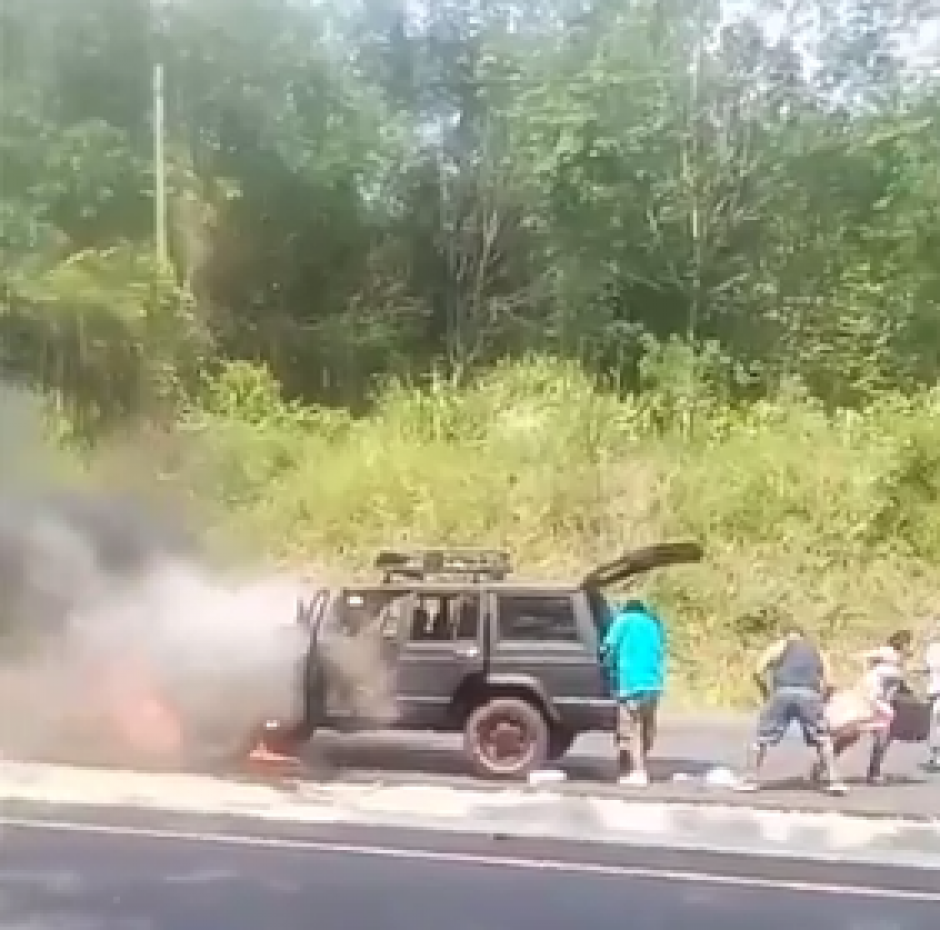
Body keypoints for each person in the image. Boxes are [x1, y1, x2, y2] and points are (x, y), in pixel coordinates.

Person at [734, 624, 846, 794]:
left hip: (782, 693)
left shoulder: (779, 646)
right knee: (823, 738)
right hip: (809, 694)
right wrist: (822, 700)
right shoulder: (817, 651)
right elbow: (830, 682)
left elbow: (757, 671)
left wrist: (766, 692)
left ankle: (749, 780)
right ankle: (834, 781)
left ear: (786, 635)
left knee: (761, 738)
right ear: (803, 636)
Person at [600, 598, 665, 787]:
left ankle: (638, 772)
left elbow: (608, 647)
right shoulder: (653, 623)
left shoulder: (623, 621)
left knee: (631, 731)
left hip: (631, 684)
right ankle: (641, 764)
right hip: (653, 685)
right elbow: (660, 649)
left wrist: (607, 666)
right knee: (647, 727)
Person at [818, 644, 903, 784]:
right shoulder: (886, 671)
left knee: (849, 738)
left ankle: (822, 766)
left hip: (865, 706)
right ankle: (874, 773)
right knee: (875, 737)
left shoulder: (874, 672)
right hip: (873, 707)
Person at [925, 629, 940, 771]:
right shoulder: (933, 648)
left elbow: (929, 667)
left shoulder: (933, 648)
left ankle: (937, 757)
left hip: (936, 690)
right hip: (936, 690)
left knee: (936, 724)